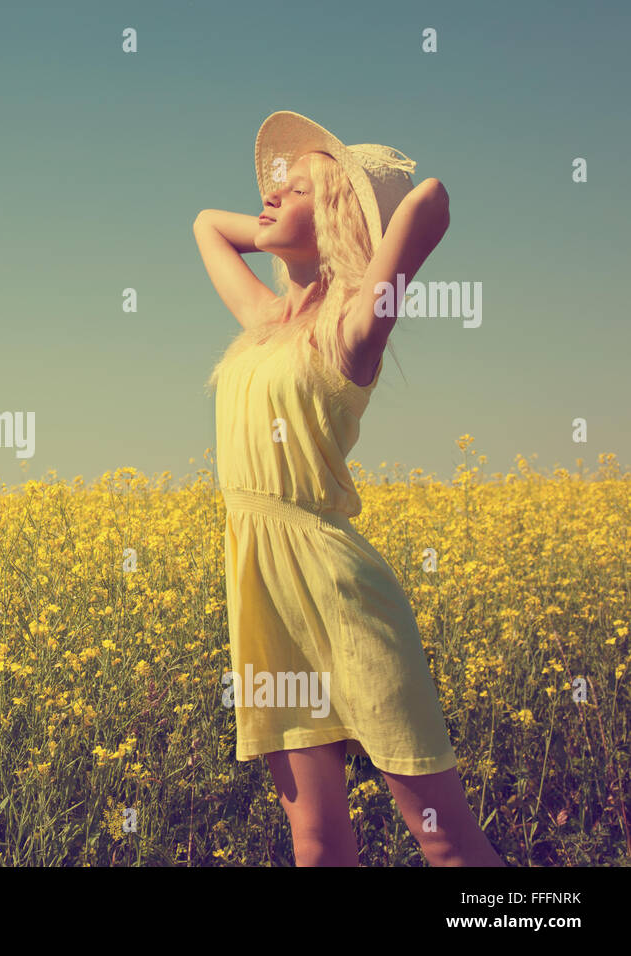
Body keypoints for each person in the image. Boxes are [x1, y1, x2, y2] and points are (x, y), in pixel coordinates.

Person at [194, 110, 504, 867]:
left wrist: (362, 209)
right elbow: (206, 223)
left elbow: (430, 200)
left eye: (289, 189)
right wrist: (285, 218)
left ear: (334, 213)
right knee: (316, 838)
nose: (266, 198)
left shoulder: (356, 327)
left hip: (338, 589)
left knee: (445, 845)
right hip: (262, 591)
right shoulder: (265, 318)